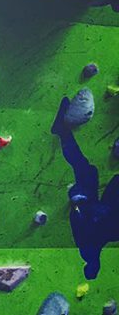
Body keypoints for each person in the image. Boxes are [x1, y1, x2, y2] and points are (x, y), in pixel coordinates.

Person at [51, 96, 119, 279]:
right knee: (86, 170)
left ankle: (63, 132)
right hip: (102, 210)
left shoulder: (89, 251)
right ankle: (63, 132)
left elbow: (79, 225)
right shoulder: (91, 249)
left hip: (95, 209)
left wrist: (78, 205)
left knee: (86, 171)